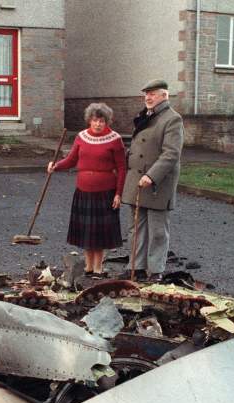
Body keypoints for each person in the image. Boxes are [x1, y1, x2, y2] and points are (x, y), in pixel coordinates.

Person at [48, 102, 126, 277]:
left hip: (105, 192)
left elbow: (122, 168)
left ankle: (98, 268)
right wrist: (56, 166)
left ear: (107, 122)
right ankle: (88, 267)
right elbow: (71, 160)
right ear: (89, 120)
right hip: (83, 191)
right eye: (95, 120)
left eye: (102, 121)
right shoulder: (81, 137)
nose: (98, 124)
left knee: (99, 233)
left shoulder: (115, 139)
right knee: (86, 231)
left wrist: (118, 193)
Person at [122, 79, 183, 282]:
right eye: (146, 94)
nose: (148, 97)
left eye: (153, 93)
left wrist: (152, 175)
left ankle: (155, 271)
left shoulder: (172, 119)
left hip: (157, 183)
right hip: (137, 181)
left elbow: (171, 154)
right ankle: (136, 267)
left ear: (164, 96)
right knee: (136, 228)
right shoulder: (145, 117)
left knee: (157, 230)